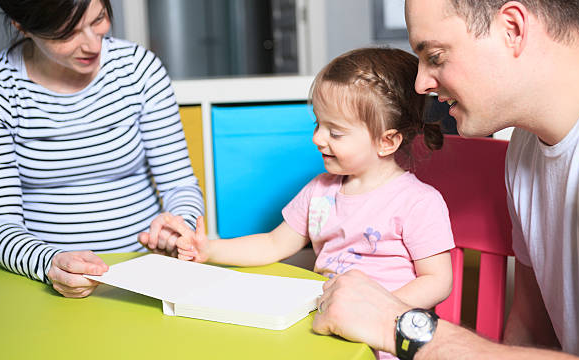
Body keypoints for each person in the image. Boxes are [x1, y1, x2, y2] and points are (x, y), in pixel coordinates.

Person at [312, 0, 579, 359]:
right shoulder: (526, 149)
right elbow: (532, 328)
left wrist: (398, 325)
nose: (421, 83)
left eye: (436, 56)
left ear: (512, 28)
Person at [153, 47, 455, 360]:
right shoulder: (320, 191)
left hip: (383, 340)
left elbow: (437, 280)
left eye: (335, 132)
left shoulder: (418, 202)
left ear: (386, 141)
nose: (318, 139)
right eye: (317, 125)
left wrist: (381, 310)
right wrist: (209, 250)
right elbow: (272, 244)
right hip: (324, 329)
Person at [0, 0, 204, 298]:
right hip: (45, 284)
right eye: (67, 33)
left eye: (98, 19)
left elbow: (180, 184)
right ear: (22, 26)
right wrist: (50, 263)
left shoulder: (139, 70)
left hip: (143, 275)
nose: (92, 44)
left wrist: (179, 227)